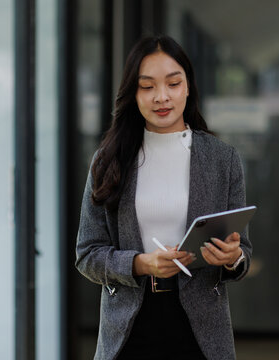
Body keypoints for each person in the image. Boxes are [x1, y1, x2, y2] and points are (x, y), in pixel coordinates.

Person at [75, 35, 252, 360]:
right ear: (133, 93)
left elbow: (243, 256)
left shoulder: (222, 160)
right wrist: (141, 264)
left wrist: (231, 257)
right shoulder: (109, 160)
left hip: (200, 333)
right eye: (147, 86)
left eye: (173, 83)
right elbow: (87, 255)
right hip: (128, 331)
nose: (162, 97)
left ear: (188, 87)